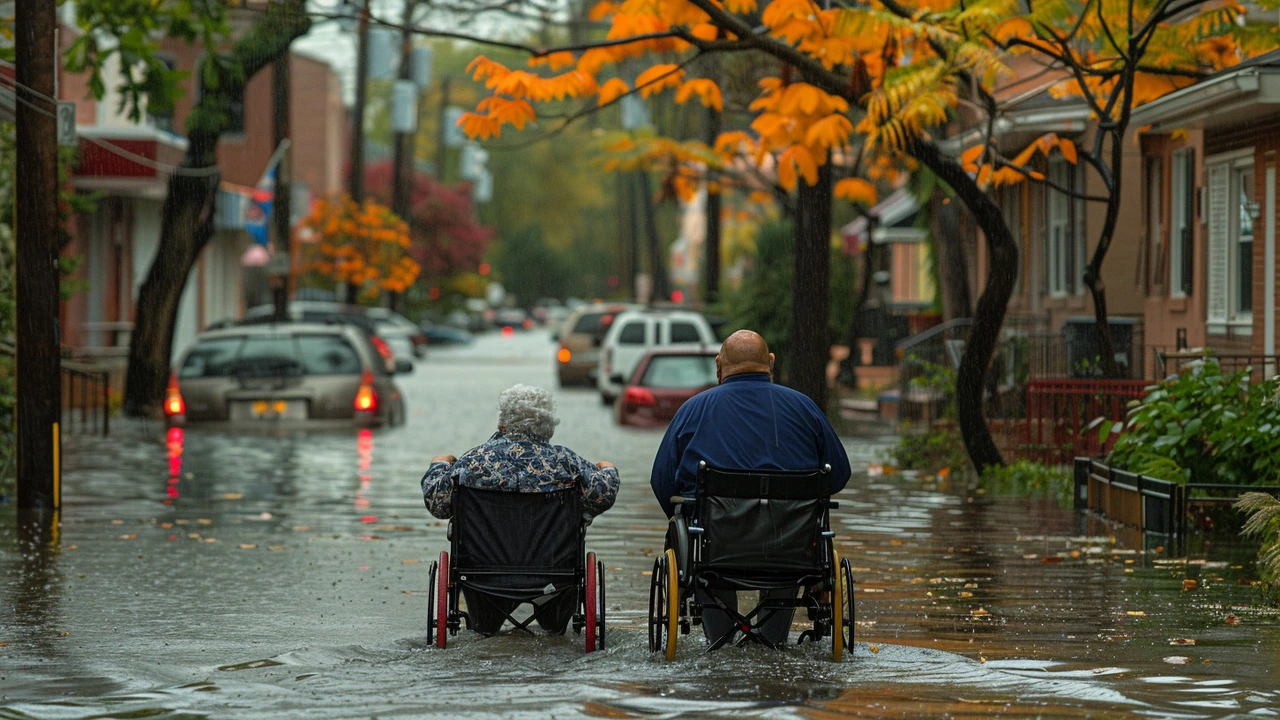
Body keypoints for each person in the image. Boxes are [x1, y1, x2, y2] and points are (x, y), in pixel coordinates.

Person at [649, 329, 852, 646]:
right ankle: (773, 641)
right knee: (790, 539)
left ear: (719, 366)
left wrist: (688, 520)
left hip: (715, 548)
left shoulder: (692, 411)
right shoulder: (804, 409)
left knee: (702, 545)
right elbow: (838, 476)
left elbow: (662, 482)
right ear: (770, 362)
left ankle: (720, 642)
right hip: (790, 547)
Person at [421, 383, 619, 635]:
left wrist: (438, 464)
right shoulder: (566, 463)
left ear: (501, 424)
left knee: (484, 628)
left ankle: (486, 625)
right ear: (548, 426)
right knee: (555, 628)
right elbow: (603, 496)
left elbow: (437, 504)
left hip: (483, 576)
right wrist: (608, 469)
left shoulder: (472, 462)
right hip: (553, 576)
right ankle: (553, 625)